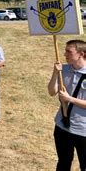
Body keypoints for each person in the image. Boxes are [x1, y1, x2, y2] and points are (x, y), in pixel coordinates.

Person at [48, 39, 86, 171]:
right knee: (63, 162)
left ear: (81, 54)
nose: (65, 54)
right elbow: (52, 92)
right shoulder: (63, 69)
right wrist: (55, 72)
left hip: (83, 130)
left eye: (69, 51)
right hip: (62, 126)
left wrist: (69, 99)